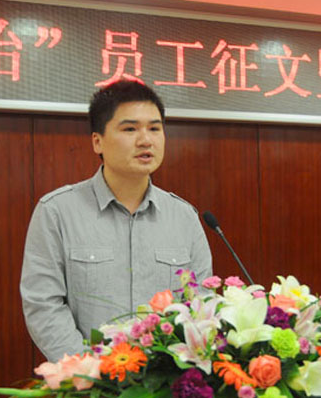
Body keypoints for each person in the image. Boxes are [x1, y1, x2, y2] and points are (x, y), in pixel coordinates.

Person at [20, 80, 213, 361]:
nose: (145, 140)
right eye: (130, 129)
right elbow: (43, 304)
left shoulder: (184, 217)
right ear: (97, 141)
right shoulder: (57, 211)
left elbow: (200, 305)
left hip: (163, 379)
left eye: (155, 128)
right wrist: (90, 371)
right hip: (88, 377)